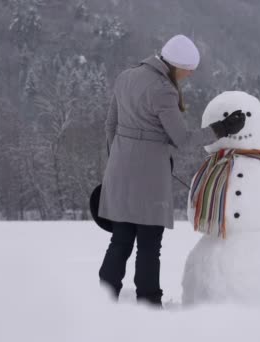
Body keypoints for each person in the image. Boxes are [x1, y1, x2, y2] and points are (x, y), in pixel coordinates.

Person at [97, 34, 246, 306]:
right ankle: (149, 303)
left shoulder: (126, 77)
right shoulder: (163, 89)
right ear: (179, 64)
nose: (189, 75)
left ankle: (104, 300)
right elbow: (183, 139)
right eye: (189, 69)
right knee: (149, 244)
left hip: (118, 171)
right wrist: (223, 129)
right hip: (149, 179)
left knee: (120, 240)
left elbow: (110, 125)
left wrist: (116, 161)